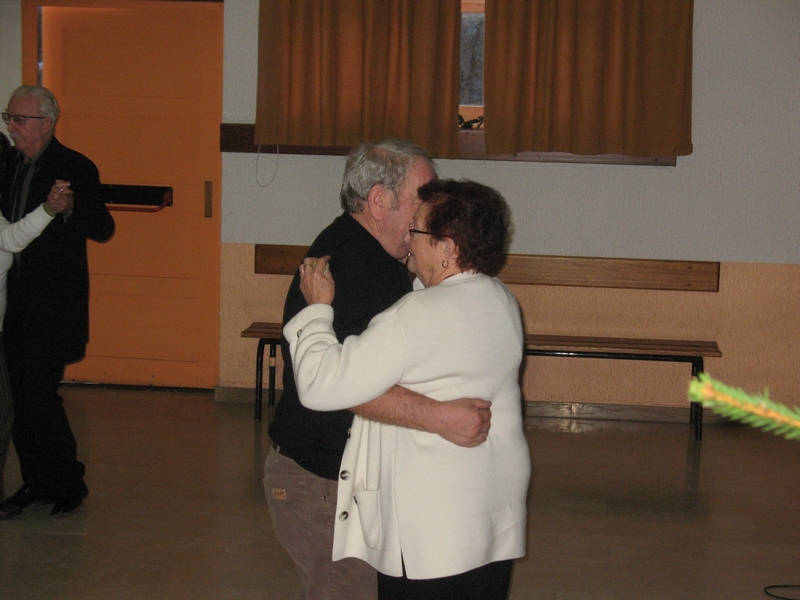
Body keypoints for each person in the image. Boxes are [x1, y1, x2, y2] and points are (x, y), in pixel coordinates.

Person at [265, 140, 493, 599]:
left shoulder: (378, 259)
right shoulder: (350, 265)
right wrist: (440, 416)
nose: (431, 214)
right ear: (378, 202)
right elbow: (338, 388)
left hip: (344, 482)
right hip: (323, 484)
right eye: (422, 199)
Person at [0, 85, 115, 518]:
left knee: (40, 397)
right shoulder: (10, 165)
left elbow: (103, 228)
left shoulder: (75, 166)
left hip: (52, 306)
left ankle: (67, 483)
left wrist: (69, 208)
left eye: (19, 119)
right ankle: (36, 481)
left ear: (46, 124)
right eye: (8, 118)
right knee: (20, 399)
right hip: (12, 304)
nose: (11, 127)